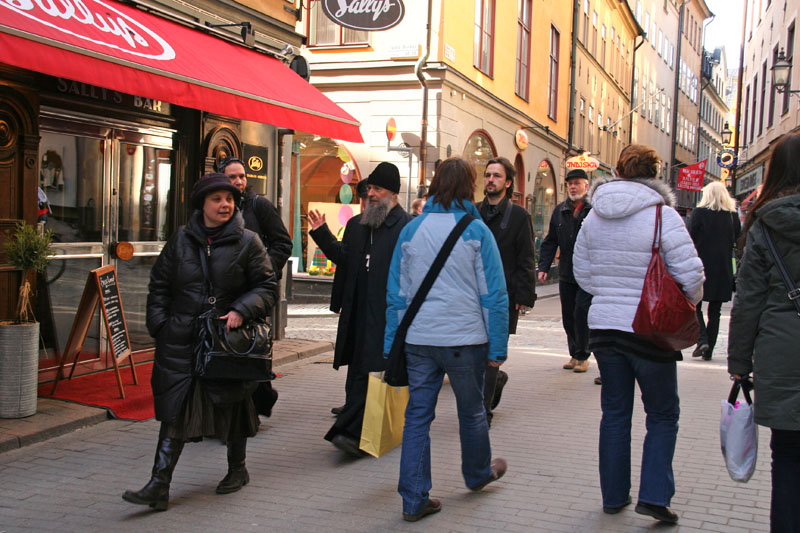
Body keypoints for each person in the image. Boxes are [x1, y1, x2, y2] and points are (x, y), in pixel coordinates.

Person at [122, 173, 278, 511]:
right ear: (202, 205)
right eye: (217, 199)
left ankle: (237, 469)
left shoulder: (248, 241)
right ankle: (159, 485)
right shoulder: (180, 240)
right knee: (176, 409)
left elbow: (267, 287)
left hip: (226, 340)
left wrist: (240, 310)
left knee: (232, 403)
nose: (225, 204)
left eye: (229, 199)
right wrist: (160, 325)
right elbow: (159, 286)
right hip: (182, 339)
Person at [573, 145, 704, 524]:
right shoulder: (663, 216)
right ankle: (654, 496)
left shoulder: (595, 215)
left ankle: (614, 497)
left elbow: (582, 272)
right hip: (650, 328)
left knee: (614, 412)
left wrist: (610, 292)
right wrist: (681, 304)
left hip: (605, 329)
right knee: (662, 413)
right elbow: (692, 275)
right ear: (656, 173)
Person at [385, 157, 509, 522]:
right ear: (469, 185)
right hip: (464, 339)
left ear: (436, 183)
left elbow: (397, 294)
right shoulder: (476, 231)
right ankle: (477, 473)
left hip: (419, 340)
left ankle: (413, 498)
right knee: (471, 413)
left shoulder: (412, 229)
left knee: (417, 418)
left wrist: (391, 343)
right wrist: (498, 347)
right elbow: (494, 296)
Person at [728, 132, 800, 533]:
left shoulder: (764, 224)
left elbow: (749, 300)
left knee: (788, 455)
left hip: (781, 350)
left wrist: (739, 361)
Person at [322, 162, 412, 456]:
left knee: (376, 370)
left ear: (393, 192)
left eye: (377, 188)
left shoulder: (407, 227)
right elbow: (346, 262)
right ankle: (355, 427)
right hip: (359, 311)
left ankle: (354, 433)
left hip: (388, 314)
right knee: (358, 368)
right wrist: (322, 236)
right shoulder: (357, 225)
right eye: (368, 189)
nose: (370, 194)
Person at [477, 157, 536, 424]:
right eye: (488, 175)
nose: (490, 179)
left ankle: (482, 411)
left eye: (497, 176)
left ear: (508, 183)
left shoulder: (519, 216)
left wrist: (524, 297)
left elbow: (526, 259)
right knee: (474, 353)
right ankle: (496, 382)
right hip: (472, 295)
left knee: (491, 354)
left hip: (503, 297)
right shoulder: (473, 212)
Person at [308, 178, 369, 416]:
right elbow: (343, 258)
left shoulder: (394, 226)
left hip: (377, 304)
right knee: (354, 354)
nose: (366, 202)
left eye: (370, 195)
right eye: (363, 198)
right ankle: (352, 402)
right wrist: (322, 232)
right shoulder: (355, 224)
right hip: (354, 301)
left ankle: (363, 406)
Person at [537, 168, 593, 374]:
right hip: (566, 273)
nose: (573, 186)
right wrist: (543, 267)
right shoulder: (560, 210)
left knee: (581, 313)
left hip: (587, 274)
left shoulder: (592, 209)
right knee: (568, 315)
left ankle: (583, 355)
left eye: (577, 183)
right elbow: (550, 241)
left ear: (586, 186)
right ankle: (574, 353)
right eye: (570, 183)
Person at [687, 180, 741, 360]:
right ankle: (708, 349)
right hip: (723, 268)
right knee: (715, 312)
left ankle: (702, 339)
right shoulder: (732, 216)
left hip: (701, 266)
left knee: (695, 306)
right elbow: (738, 240)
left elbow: (690, 238)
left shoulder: (699, 213)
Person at [219, 157, 292, 278]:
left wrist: (264, 270)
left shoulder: (260, 205)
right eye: (232, 177)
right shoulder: (217, 208)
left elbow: (283, 243)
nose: (239, 181)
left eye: (242, 176)